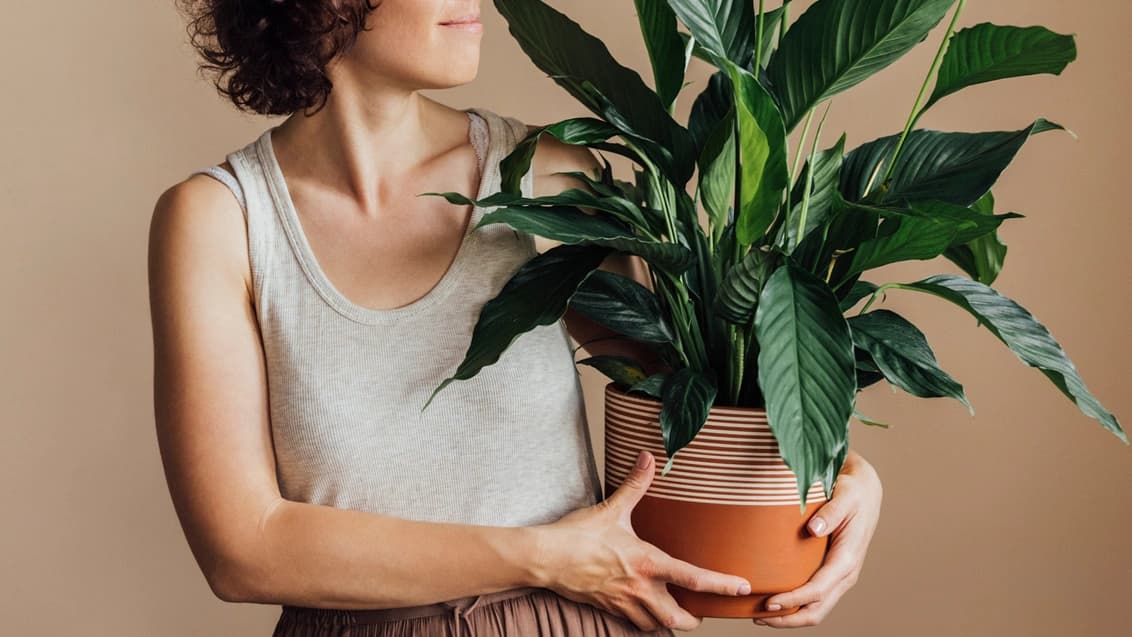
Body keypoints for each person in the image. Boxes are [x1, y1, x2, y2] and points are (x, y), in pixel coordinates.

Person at [147, 1, 884, 635]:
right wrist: (543, 555)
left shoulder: (549, 173)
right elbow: (243, 549)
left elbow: (694, 400)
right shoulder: (220, 222)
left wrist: (845, 473)